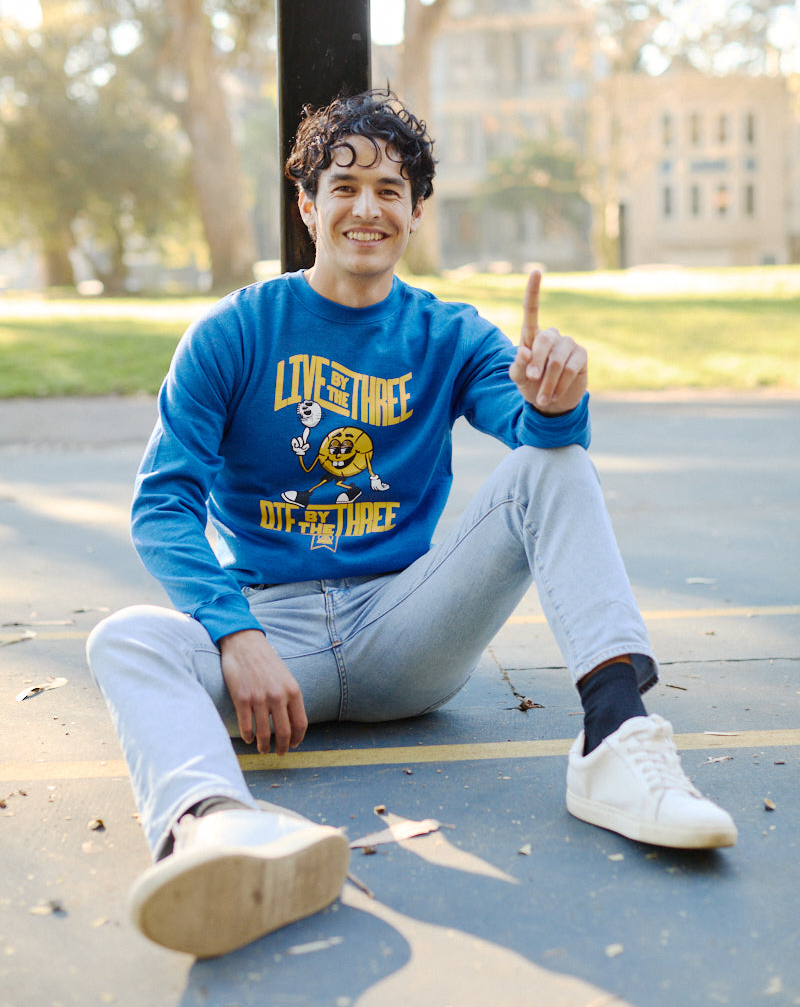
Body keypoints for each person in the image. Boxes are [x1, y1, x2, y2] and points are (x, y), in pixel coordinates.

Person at [87, 90, 736, 960]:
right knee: (127, 638)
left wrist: (554, 403)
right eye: (344, 185)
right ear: (307, 205)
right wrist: (234, 635)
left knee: (556, 463)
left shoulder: (449, 332)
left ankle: (616, 740)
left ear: (415, 214)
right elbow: (162, 505)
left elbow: (534, 436)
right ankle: (215, 830)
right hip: (274, 647)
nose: (367, 207)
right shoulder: (233, 333)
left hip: (402, 632)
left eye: (391, 190)